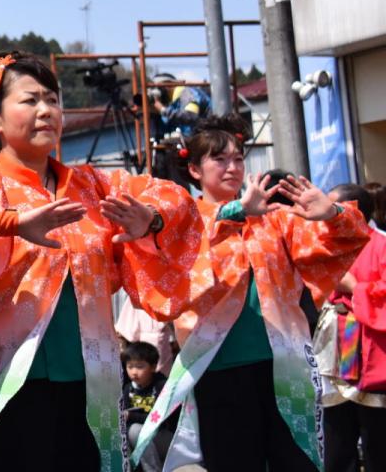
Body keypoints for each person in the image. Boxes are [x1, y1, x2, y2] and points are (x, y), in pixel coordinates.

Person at [0, 51, 202, 472]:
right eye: (29, 100)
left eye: (52, 99)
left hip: (92, 379)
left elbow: (173, 198)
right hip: (15, 383)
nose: (46, 110)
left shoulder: (91, 184)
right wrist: (12, 222)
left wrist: (148, 218)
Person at [132, 114, 369, 472]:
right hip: (219, 364)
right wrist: (235, 211)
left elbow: (337, 244)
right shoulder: (184, 218)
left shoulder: (275, 218)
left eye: (239, 158)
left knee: (297, 461)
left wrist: (333, 213)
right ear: (194, 170)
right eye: (220, 159)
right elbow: (177, 257)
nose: (232, 167)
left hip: (282, 363)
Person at [319, 182, 386, 472]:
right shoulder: (326, 245)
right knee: (338, 440)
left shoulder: (381, 245)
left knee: (377, 444)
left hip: (371, 350)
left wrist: (355, 288)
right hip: (337, 345)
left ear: (352, 212)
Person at [121, 341, 173, 472]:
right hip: (140, 442)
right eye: (130, 366)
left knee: (134, 430)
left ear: (153, 367)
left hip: (164, 438)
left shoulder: (161, 386)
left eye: (139, 367)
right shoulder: (127, 388)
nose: (134, 372)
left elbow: (162, 420)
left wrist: (131, 416)